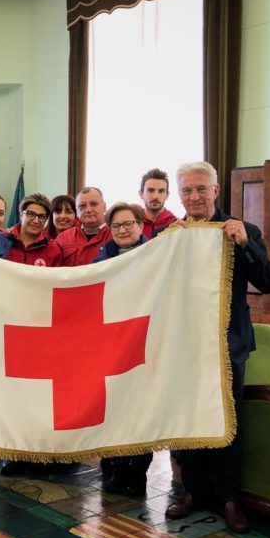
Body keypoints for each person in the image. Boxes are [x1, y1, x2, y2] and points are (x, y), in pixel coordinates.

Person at [163, 161, 270, 534]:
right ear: (179, 194)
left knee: (227, 423)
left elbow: (268, 282)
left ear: (215, 191)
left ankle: (230, 498)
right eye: (186, 191)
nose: (194, 197)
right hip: (185, 346)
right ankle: (192, 492)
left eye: (201, 189)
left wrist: (245, 245)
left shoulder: (244, 230)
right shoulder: (171, 235)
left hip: (229, 345)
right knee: (189, 420)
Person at [92, 202, 154, 496]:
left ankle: (138, 470)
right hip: (110, 345)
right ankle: (114, 466)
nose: (122, 230)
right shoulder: (100, 260)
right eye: (116, 226)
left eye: (128, 224)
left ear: (141, 226)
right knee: (113, 406)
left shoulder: (157, 256)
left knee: (141, 407)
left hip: (145, 343)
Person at [55, 187, 112, 266]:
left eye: (94, 204)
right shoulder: (63, 239)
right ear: (77, 211)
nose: (88, 210)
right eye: (82, 206)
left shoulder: (115, 236)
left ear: (104, 207)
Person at [5, 193, 63, 266]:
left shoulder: (53, 251)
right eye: (31, 214)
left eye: (41, 216)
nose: (36, 221)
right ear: (21, 215)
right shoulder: (3, 241)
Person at [138, 168, 177, 238]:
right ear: (141, 194)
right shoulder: (130, 224)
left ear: (167, 195)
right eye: (150, 190)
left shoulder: (176, 225)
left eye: (161, 191)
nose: (156, 196)